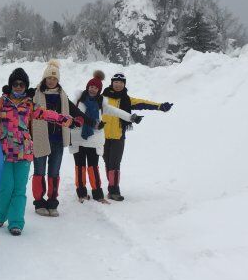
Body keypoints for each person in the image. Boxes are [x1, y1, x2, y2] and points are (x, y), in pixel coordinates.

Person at [0, 68, 73, 236]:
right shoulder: (0, 102)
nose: (18, 87)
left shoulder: (29, 104)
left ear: (25, 86)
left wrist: (63, 119)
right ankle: (0, 215)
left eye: (22, 84)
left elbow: (46, 114)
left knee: (19, 189)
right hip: (3, 153)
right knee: (6, 187)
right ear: (10, 85)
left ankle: (16, 222)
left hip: (24, 153)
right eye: (15, 84)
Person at [69, 71, 141, 203]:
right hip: (77, 139)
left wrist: (130, 117)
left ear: (99, 90)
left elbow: (116, 111)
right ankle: (81, 193)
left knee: (93, 167)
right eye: (91, 86)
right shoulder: (78, 100)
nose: (93, 89)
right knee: (80, 167)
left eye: (96, 88)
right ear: (87, 87)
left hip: (93, 140)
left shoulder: (101, 104)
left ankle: (98, 195)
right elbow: (68, 112)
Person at [31, 59, 89, 217]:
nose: (51, 81)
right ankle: (39, 202)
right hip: (40, 139)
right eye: (49, 78)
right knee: (39, 171)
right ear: (44, 79)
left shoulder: (62, 96)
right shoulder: (34, 94)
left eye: (54, 78)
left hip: (57, 139)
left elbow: (74, 110)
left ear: (58, 80)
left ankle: (52, 202)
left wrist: (84, 120)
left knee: (54, 172)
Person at [102, 72, 173, 200]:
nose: (118, 85)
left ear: (124, 84)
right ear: (112, 83)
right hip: (102, 137)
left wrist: (159, 106)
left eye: (121, 83)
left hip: (118, 136)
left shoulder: (127, 100)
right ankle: (111, 187)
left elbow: (144, 103)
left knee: (115, 164)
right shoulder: (102, 98)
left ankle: (114, 191)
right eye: (116, 82)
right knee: (107, 162)